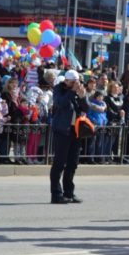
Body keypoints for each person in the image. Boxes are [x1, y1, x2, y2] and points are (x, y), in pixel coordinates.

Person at [50, 70, 88, 204]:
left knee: (72, 164)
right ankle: (56, 194)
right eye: (73, 82)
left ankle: (69, 192)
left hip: (75, 131)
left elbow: (85, 108)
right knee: (59, 163)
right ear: (66, 81)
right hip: (62, 130)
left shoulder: (78, 91)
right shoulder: (58, 89)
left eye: (77, 82)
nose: (76, 84)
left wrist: (83, 97)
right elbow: (61, 104)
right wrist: (72, 91)